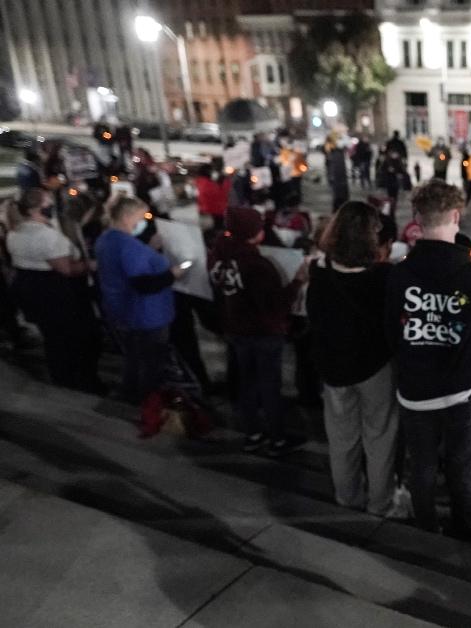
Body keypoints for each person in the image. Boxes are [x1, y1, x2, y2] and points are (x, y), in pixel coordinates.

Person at [385, 180, 471, 545]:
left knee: (420, 463)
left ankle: (425, 526)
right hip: (461, 389)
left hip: (414, 389)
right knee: (461, 465)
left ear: (417, 219)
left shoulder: (398, 274)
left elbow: (390, 331)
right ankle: (463, 526)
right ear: (456, 216)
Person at [306, 201, 399, 516]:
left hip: (333, 367)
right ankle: (381, 502)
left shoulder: (319, 270)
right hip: (373, 367)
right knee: (380, 435)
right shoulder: (384, 276)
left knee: (341, 436)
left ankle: (347, 496)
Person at [209, 206, 308, 456]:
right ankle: (277, 439)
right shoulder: (257, 265)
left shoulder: (225, 256)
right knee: (269, 386)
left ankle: (253, 433)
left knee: (247, 383)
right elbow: (276, 305)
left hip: (237, 331)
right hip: (263, 334)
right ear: (254, 233)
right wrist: (297, 280)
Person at [4, 190, 103, 393]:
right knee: (77, 339)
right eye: (48, 202)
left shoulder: (14, 233)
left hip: (31, 290)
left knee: (53, 338)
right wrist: (90, 265)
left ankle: (62, 378)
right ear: (36, 209)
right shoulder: (47, 236)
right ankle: (82, 381)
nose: (52, 206)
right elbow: (66, 269)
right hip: (55, 293)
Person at [95, 196, 187, 403]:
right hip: (146, 315)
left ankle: (130, 393)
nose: (143, 220)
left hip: (121, 311)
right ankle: (148, 401)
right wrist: (173, 274)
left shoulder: (107, 239)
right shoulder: (128, 246)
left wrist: (149, 248)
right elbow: (144, 284)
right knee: (151, 361)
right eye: (141, 216)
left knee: (133, 357)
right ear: (127, 217)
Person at [194, 161, 232, 232]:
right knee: (217, 232)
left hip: (206, 212)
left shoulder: (200, 182)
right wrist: (225, 182)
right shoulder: (207, 184)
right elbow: (222, 195)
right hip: (214, 213)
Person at [324, 133, 350, 211]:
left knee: (339, 194)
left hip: (339, 181)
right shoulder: (335, 153)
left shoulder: (336, 153)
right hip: (339, 181)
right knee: (339, 194)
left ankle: (339, 207)